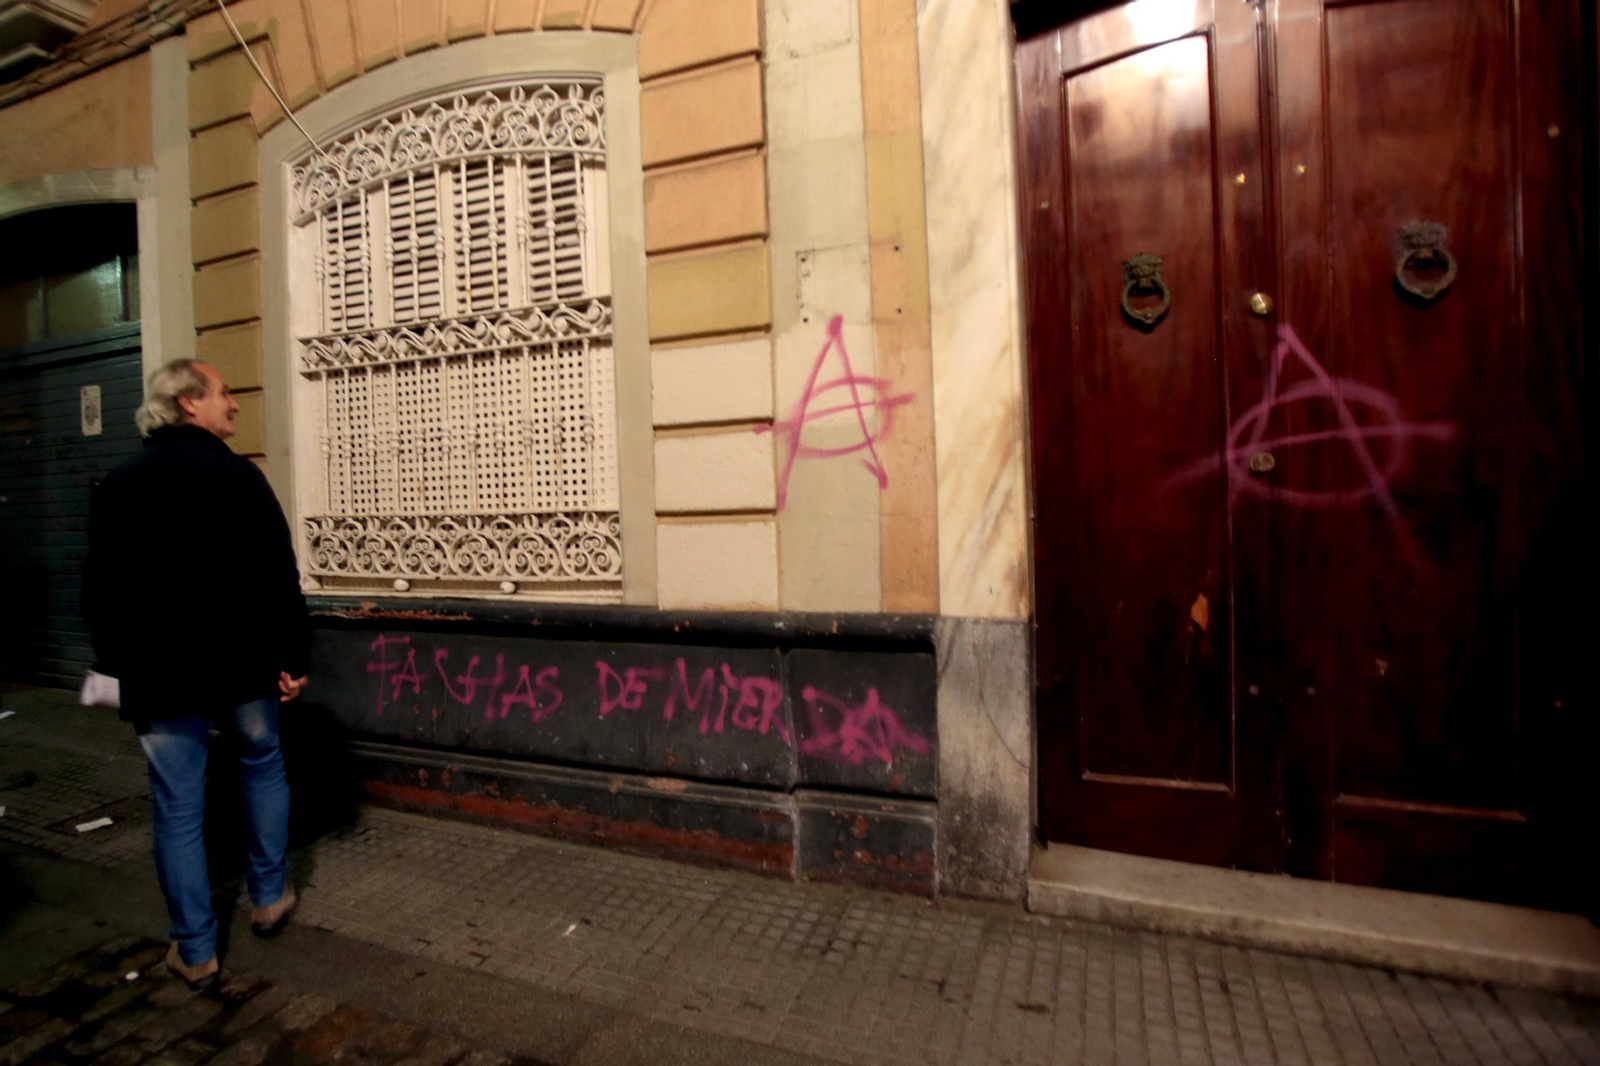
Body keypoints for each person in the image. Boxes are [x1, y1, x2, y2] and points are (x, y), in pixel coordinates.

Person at [84, 359, 310, 990]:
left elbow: (100, 590)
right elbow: (279, 575)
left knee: (177, 805)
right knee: (261, 764)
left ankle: (196, 949)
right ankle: (269, 896)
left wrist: (114, 666)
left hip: (160, 674)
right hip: (242, 666)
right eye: (225, 393)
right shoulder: (240, 477)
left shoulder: (123, 483)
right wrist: (294, 657)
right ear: (188, 402)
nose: (233, 404)